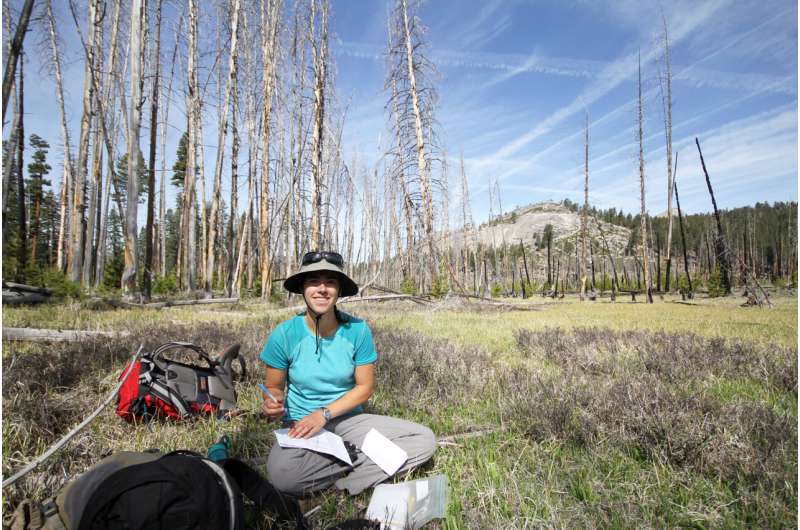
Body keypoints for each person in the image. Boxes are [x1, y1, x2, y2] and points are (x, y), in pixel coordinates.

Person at [260, 251, 436, 496]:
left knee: (424, 440)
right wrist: (273, 401)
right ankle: (362, 458)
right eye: (313, 281)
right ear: (302, 287)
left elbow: (365, 388)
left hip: (349, 420)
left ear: (339, 290)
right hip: (300, 423)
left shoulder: (357, 330)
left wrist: (324, 414)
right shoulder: (284, 334)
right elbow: (274, 387)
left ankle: (344, 483)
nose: (322, 289)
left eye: (330, 282)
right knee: (282, 477)